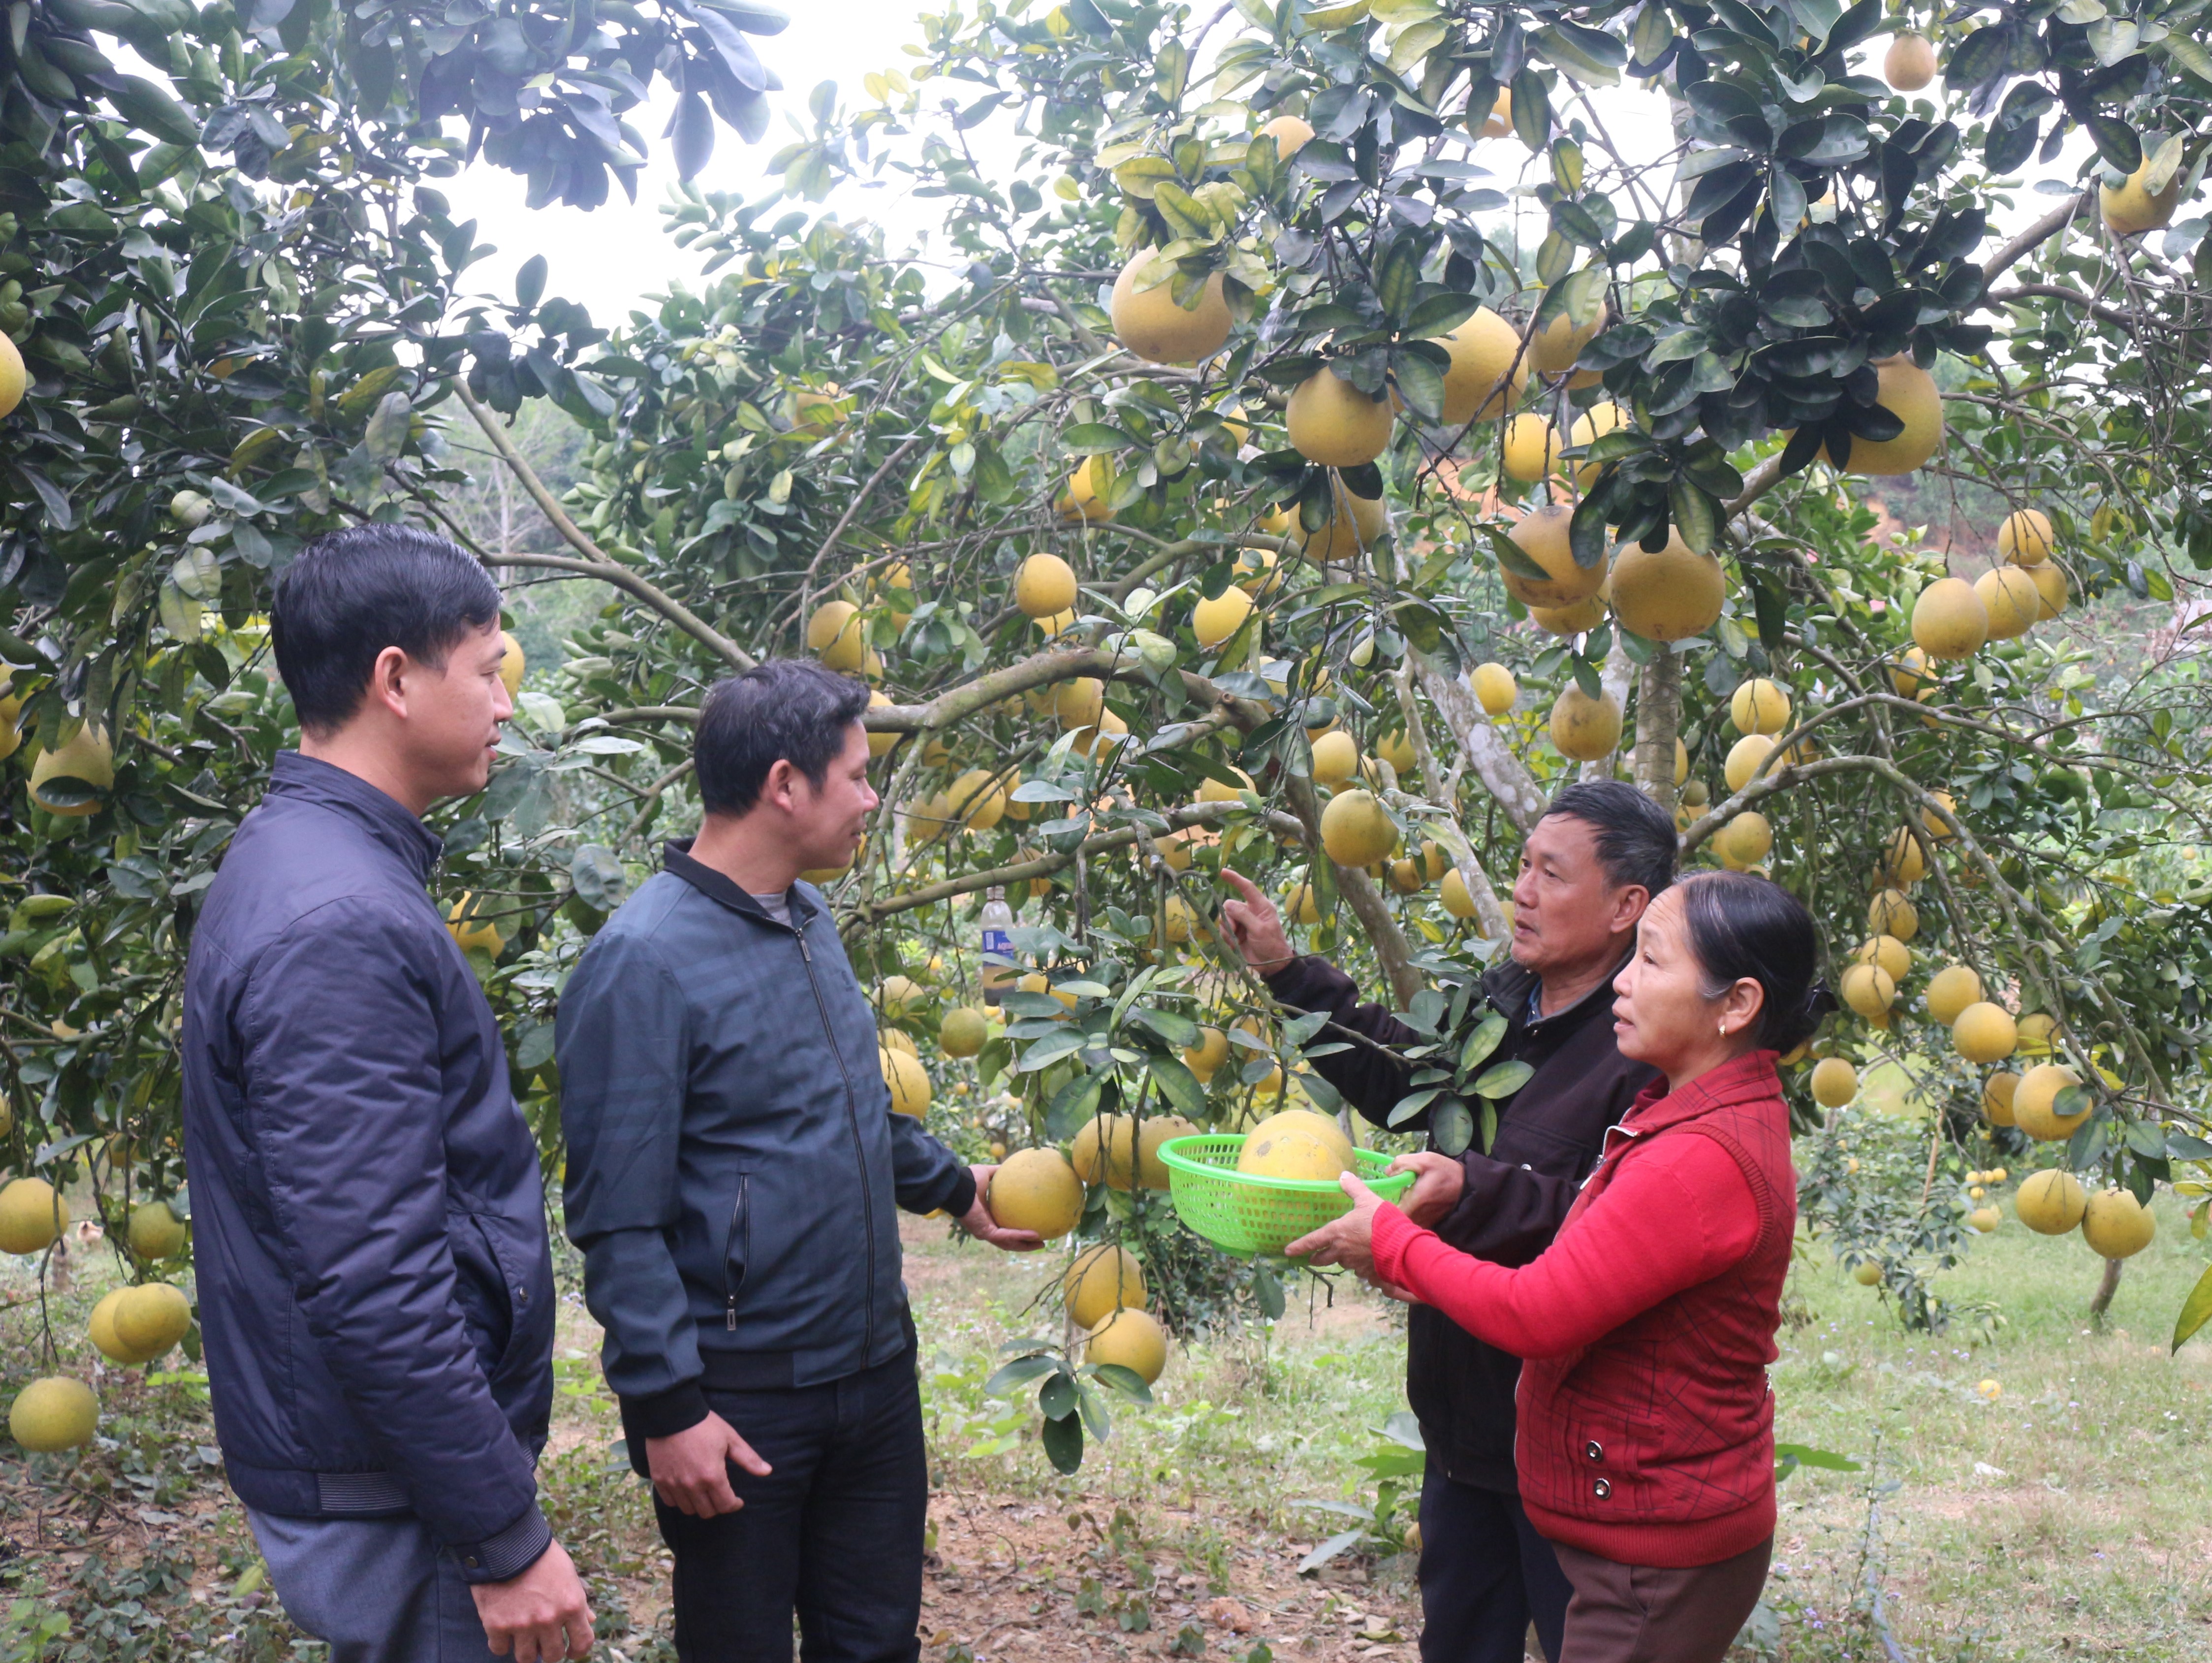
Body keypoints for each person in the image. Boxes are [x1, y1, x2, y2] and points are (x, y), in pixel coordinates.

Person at [557, 659, 1042, 1663]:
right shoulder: (642, 960)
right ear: (786, 785)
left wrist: (959, 1190)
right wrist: (668, 1407)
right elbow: (618, 1217)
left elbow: (847, 1112)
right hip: (743, 1396)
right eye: (858, 776)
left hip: (871, 1374)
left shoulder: (810, 921)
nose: (871, 799)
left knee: (874, 1645)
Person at [181, 526, 594, 1663]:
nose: (508, 704)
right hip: (387, 1492)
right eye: (489, 668)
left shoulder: (317, 866)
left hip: (380, 1468)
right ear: (398, 680)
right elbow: (373, 1275)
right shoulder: (340, 924)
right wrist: (502, 1535)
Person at [1287, 870, 1823, 1663]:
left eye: (1650, 961)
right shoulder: (1689, 1112)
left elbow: (1539, 1312)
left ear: (1736, 1004)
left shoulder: (1700, 1157)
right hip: (1637, 1518)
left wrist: (1396, 1241)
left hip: (1654, 1549)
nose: (1624, 982)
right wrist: (1445, 1216)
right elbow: (1590, 1263)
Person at [1217, 781, 1677, 1663]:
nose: (1523, 891)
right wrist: (1286, 971)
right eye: (1522, 867)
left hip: (1580, 1444)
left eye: (1552, 872)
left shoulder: (1645, 1047)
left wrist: (1467, 1189)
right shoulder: (1506, 996)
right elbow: (1407, 1078)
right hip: (1463, 1414)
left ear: (1627, 906)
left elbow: (1609, 1222)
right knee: (1463, 1639)